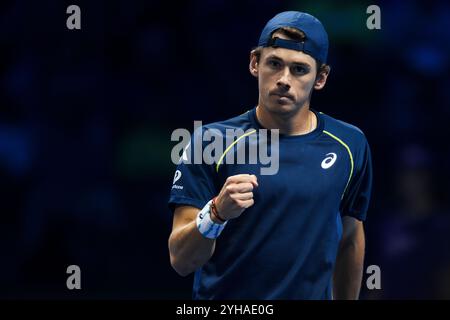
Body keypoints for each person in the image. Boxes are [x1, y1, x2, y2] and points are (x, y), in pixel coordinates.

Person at [168, 11, 372, 300]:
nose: (284, 80)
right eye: (274, 64)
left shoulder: (351, 145)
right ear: (255, 63)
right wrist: (216, 212)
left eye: (299, 69)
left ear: (321, 77)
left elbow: (350, 238)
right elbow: (181, 260)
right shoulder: (209, 142)